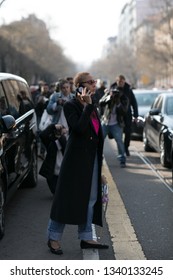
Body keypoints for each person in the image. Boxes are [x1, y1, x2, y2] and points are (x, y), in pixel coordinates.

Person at [47, 72, 109, 255]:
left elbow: (97, 134)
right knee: (66, 200)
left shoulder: (93, 105)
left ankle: (86, 236)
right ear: (80, 86)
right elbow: (79, 129)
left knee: (90, 199)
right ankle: (53, 238)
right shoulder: (71, 105)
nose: (94, 84)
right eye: (91, 82)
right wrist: (88, 107)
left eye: (95, 81)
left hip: (92, 159)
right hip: (75, 161)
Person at [99, 88, 129, 167]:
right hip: (106, 122)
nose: (115, 94)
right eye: (114, 92)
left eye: (116, 93)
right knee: (99, 140)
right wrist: (108, 97)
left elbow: (124, 111)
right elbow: (100, 103)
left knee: (119, 141)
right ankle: (98, 157)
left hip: (116, 124)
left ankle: (122, 159)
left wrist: (118, 102)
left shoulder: (123, 98)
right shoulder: (108, 96)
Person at [110, 75, 138, 156]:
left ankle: (126, 148)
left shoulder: (128, 90)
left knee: (128, 131)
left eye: (122, 82)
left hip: (127, 113)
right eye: (119, 82)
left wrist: (135, 115)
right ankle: (121, 149)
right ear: (117, 81)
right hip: (116, 114)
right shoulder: (112, 88)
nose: (121, 83)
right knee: (118, 132)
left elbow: (134, 102)